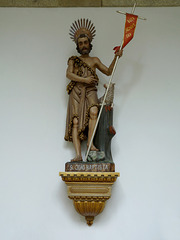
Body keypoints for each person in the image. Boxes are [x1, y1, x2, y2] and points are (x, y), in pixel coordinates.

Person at [64, 19, 123, 162]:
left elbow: (108, 71)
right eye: (81, 43)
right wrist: (85, 80)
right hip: (77, 91)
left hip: (90, 90)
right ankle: (78, 155)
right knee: (76, 122)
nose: (83, 45)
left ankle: (91, 146)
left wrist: (116, 57)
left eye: (85, 42)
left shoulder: (94, 60)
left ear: (90, 43)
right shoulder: (73, 60)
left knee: (94, 111)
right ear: (77, 46)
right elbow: (69, 74)